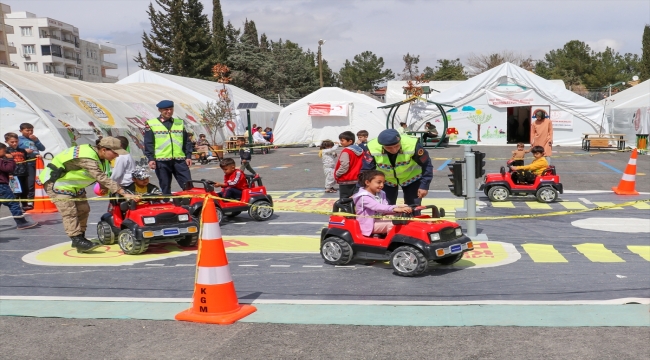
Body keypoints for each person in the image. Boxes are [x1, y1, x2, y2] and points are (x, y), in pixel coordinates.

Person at [39, 137, 140, 252]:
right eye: (115, 153)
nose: (117, 156)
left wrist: (103, 186)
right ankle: (77, 239)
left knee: (84, 209)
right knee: (70, 212)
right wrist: (123, 193)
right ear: (103, 149)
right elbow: (99, 176)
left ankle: (81, 237)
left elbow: (101, 174)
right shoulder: (88, 157)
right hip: (57, 183)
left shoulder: (102, 157)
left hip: (74, 185)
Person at [362, 128, 433, 206]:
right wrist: (361, 189)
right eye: (389, 148)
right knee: (385, 207)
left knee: (413, 207)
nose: (394, 150)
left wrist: (424, 185)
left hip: (412, 179)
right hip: (387, 181)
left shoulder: (412, 144)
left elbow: (427, 165)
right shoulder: (371, 147)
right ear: (382, 146)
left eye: (397, 146)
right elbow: (366, 170)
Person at [144, 100, 193, 194]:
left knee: (188, 184)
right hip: (161, 160)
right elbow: (149, 143)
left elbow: (186, 141)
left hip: (180, 160)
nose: (169, 111)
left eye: (171, 109)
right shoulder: (151, 124)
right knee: (165, 185)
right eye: (166, 109)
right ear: (160, 110)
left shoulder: (180, 123)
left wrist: (188, 156)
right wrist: (151, 158)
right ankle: (167, 205)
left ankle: (191, 203)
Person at [353, 170, 412, 237]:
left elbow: (385, 206)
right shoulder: (363, 197)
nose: (382, 185)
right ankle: (392, 242)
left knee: (400, 217)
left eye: (383, 183)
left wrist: (401, 207)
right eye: (379, 182)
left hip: (379, 218)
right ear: (367, 182)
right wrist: (396, 208)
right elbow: (378, 207)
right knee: (392, 224)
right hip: (368, 224)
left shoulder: (381, 193)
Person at [0, 143, 38, 230]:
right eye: (4, 151)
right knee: (13, 203)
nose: (5, 153)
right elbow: (8, 169)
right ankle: (21, 223)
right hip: (2, 186)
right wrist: (10, 160)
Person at [18, 123, 46, 210]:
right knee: (30, 183)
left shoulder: (33, 138)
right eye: (27, 130)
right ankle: (29, 202)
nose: (30, 132)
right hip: (28, 163)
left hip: (37, 163)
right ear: (21, 131)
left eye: (31, 130)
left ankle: (39, 199)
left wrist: (36, 140)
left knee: (39, 181)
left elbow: (42, 148)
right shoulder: (19, 140)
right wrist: (25, 151)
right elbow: (16, 149)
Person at [335, 131, 364, 199]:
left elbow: (344, 166)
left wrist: (337, 173)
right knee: (356, 199)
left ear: (350, 141)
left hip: (346, 179)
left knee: (345, 200)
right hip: (357, 178)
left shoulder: (346, 151)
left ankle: (346, 210)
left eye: (342, 140)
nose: (340, 142)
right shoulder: (361, 150)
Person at [4, 132, 30, 210]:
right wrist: (10, 173)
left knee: (25, 189)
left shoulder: (22, 150)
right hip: (14, 174)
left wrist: (36, 156)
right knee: (16, 191)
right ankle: (16, 207)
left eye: (16, 141)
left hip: (24, 173)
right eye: (12, 142)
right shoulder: (6, 151)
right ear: (7, 142)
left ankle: (25, 205)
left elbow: (27, 158)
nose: (14, 143)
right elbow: (5, 163)